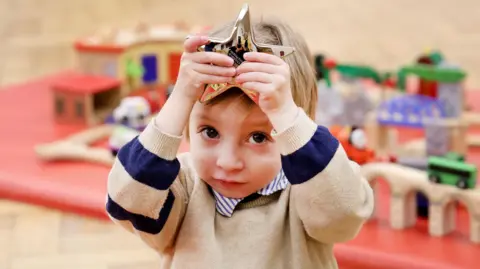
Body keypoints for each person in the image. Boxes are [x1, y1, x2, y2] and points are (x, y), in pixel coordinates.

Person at [106, 19, 374, 269]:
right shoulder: (179, 187)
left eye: (258, 137)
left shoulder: (310, 190)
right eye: (210, 131)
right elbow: (127, 201)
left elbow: (345, 214)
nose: (228, 162)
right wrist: (180, 98)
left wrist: (287, 117)